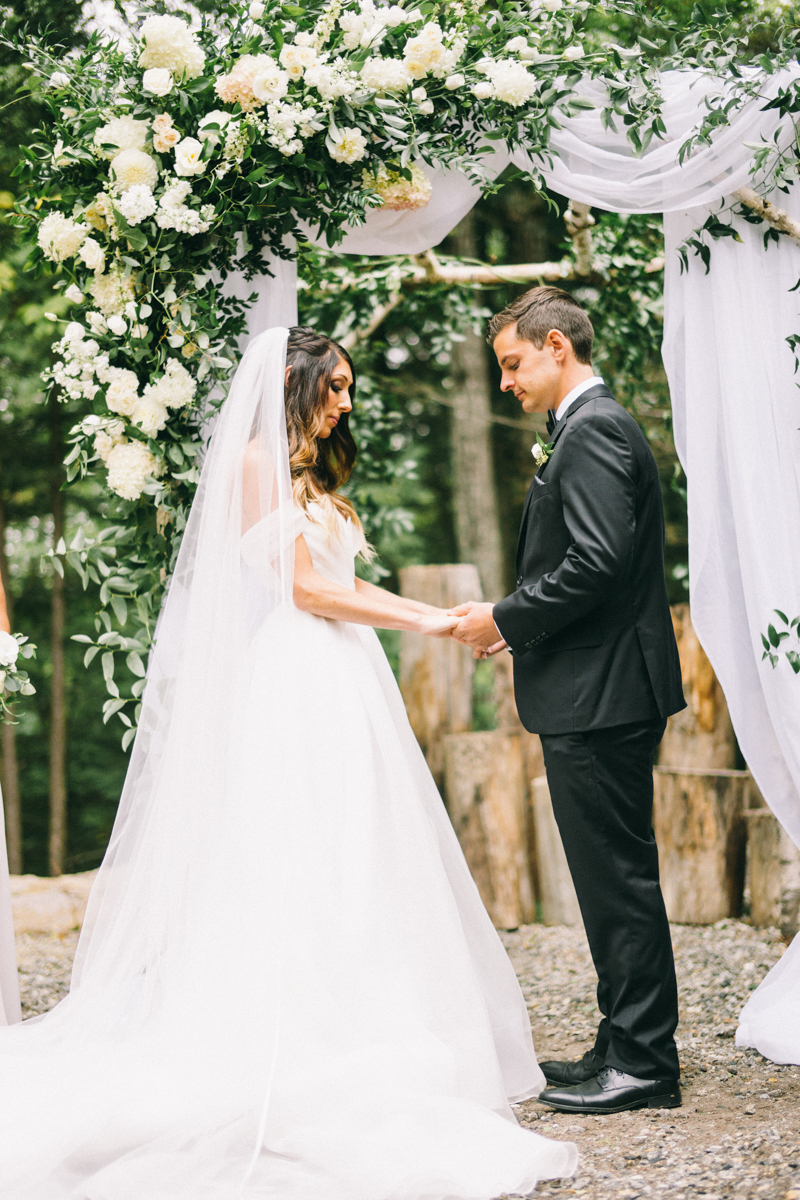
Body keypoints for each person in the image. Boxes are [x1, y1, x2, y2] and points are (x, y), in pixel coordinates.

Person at [0, 326, 577, 1198]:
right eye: (335, 385)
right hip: (298, 672)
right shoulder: (254, 467)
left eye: (348, 386)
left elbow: (346, 582)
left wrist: (448, 614)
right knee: (296, 847)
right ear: (296, 384)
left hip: (343, 673)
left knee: (354, 846)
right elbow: (306, 591)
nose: (347, 401)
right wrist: (432, 626)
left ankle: (365, 1013)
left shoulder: (310, 474)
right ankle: (290, 1029)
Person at [452, 287, 686, 1116]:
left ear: (557, 347)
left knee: (616, 880)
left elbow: (592, 565)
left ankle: (648, 1064)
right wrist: (522, 632)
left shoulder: (592, 433)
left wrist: (504, 615)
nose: (507, 382)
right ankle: (621, 1042)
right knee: (604, 877)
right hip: (599, 681)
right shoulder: (590, 430)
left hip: (603, 693)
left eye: (513, 364)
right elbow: (602, 570)